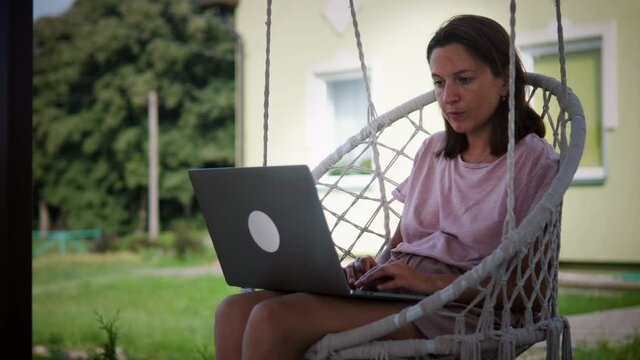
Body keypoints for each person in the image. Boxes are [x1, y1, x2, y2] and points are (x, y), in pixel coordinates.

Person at [213, 14, 559, 360]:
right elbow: (401, 244)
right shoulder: (433, 150)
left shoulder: (531, 161)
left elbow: (534, 289)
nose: (448, 97)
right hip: (400, 296)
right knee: (232, 311)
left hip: (459, 311)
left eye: (464, 80)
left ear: (504, 81)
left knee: (274, 319)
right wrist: (370, 271)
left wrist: (428, 284)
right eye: (439, 83)